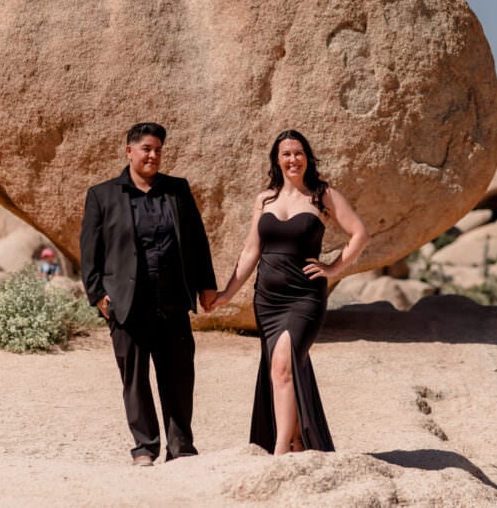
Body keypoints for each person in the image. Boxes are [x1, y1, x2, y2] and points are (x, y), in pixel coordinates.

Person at [214, 130, 369, 455]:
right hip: (268, 300)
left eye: (298, 153)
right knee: (283, 368)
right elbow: (251, 251)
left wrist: (333, 268)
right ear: (277, 159)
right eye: (286, 154)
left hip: (304, 298)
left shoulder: (322, 195)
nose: (293, 159)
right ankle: (297, 440)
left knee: (283, 364)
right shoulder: (265, 200)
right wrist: (227, 293)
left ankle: (280, 448)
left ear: (307, 157)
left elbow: (359, 234)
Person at [80, 122, 218, 466]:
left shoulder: (177, 190)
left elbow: (197, 240)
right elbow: (90, 251)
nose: (153, 155)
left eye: (158, 149)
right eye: (146, 149)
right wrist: (98, 295)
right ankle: (145, 447)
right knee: (135, 380)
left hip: (172, 301)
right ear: (129, 151)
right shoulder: (102, 195)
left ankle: (181, 447)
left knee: (179, 377)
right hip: (127, 304)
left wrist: (206, 285)